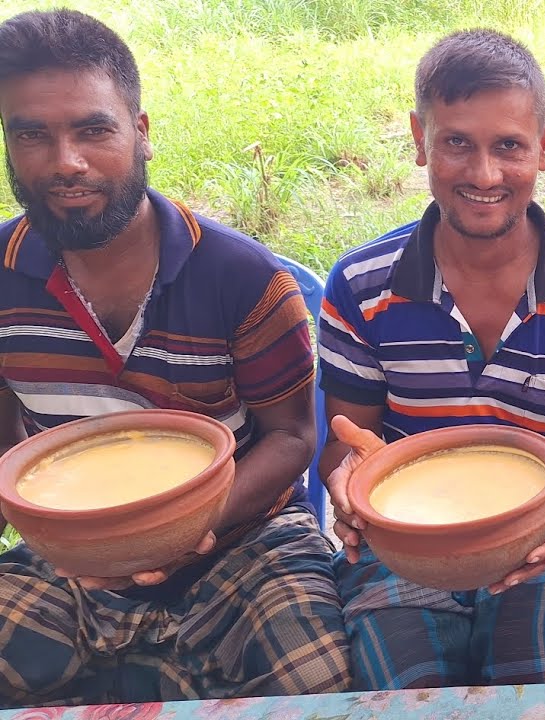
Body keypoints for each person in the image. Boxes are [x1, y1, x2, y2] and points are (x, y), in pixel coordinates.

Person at [0, 9, 350, 707]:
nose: (66, 161)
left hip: (244, 544)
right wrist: (64, 534)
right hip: (71, 557)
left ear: (142, 132)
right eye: (32, 134)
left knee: (315, 685)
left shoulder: (243, 280)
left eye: (93, 130)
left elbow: (292, 436)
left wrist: (186, 529)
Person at [317, 29, 545, 690]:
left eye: (509, 146)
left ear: (544, 146)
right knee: (407, 684)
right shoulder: (360, 287)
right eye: (457, 143)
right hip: (404, 541)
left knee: (535, 668)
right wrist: (346, 481)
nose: (485, 174)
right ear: (420, 140)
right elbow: (346, 442)